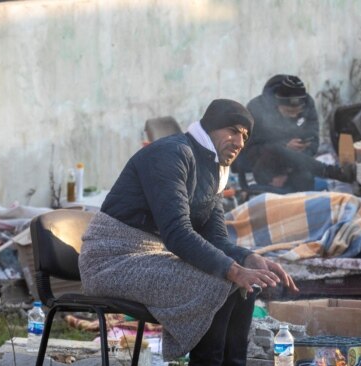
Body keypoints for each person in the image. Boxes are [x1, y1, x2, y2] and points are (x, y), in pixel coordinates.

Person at [78, 99, 299, 365]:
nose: (239, 142)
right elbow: (177, 233)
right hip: (112, 258)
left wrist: (247, 258)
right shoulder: (172, 154)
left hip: (152, 257)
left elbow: (215, 238)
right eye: (232, 130)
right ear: (211, 128)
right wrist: (233, 269)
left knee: (246, 283)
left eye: (245, 136)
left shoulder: (216, 169)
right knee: (220, 281)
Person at [238, 74, 355, 192]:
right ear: (277, 105)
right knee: (280, 150)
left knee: (305, 179)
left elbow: (313, 140)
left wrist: (302, 151)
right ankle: (332, 172)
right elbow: (250, 150)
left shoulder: (308, 106)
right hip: (266, 167)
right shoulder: (257, 109)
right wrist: (284, 146)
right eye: (288, 111)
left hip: (297, 165)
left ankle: (328, 177)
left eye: (297, 112)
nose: (293, 116)